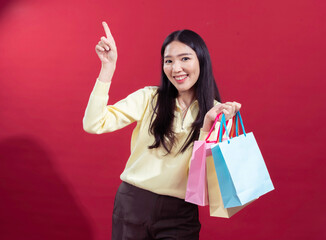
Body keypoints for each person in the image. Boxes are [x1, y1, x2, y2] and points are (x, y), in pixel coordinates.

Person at [83, 21, 241, 240]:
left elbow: (203, 182)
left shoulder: (218, 114)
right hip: (132, 204)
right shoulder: (149, 98)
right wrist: (107, 69)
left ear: (202, 61)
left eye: (185, 58)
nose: (176, 68)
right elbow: (93, 123)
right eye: (169, 61)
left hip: (179, 214)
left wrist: (207, 127)